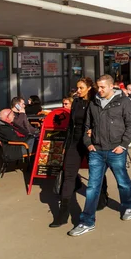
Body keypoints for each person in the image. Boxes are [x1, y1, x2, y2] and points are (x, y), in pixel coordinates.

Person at [68, 75, 131, 237]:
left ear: (112, 86)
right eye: (98, 87)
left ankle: (130, 205)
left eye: (102, 87)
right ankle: (87, 221)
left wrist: (123, 145)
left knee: (122, 181)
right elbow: (87, 125)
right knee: (92, 187)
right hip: (97, 151)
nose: (99, 90)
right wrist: (88, 143)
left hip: (116, 150)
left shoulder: (123, 101)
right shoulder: (94, 102)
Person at [50, 78, 109, 228]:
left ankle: (102, 197)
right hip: (75, 142)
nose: (78, 91)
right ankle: (63, 213)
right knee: (69, 175)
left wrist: (94, 133)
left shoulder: (96, 102)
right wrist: (66, 144)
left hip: (91, 143)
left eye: (81, 88)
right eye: (77, 88)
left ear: (89, 88)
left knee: (95, 173)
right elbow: (71, 125)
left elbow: (103, 122)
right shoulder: (76, 102)